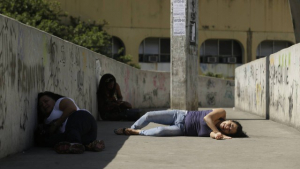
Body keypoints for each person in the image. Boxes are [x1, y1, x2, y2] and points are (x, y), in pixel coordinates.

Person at [35, 91, 105, 154]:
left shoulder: (59, 102)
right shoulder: (46, 121)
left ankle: (75, 143)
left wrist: (56, 124)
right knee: (46, 140)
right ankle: (89, 145)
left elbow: (72, 108)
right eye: (41, 105)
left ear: (53, 99)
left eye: (46, 101)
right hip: (81, 136)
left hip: (84, 120)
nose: (44, 105)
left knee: (73, 125)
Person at [114, 108, 248, 140]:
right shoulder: (222, 113)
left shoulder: (215, 132)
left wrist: (220, 136)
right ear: (230, 120)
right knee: (149, 115)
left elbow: (214, 135)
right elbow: (207, 118)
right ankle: (132, 128)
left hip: (181, 129)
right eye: (231, 125)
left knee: (160, 131)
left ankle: (134, 132)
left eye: (229, 130)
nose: (227, 127)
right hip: (180, 115)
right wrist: (218, 131)